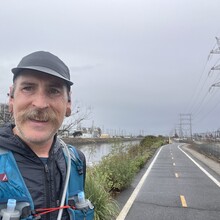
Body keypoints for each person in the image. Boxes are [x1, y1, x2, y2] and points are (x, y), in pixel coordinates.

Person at [0, 51, 94, 220]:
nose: (40, 104)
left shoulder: (75, 160)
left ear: (68, 103)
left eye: (53, 90)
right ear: (12, 98)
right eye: (28, 88)